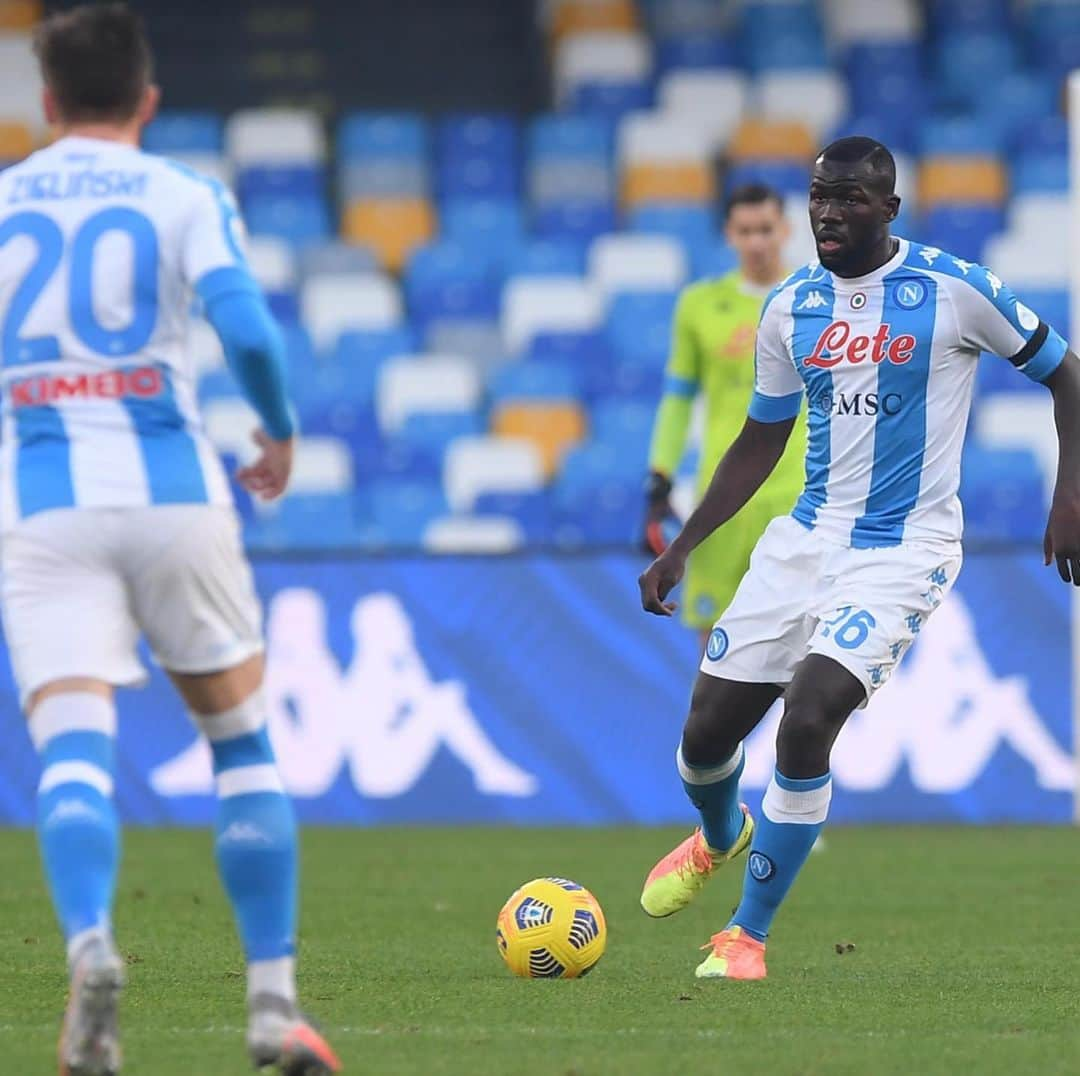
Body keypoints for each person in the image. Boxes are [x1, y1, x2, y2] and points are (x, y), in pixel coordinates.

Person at [637, 136, 1080, 980]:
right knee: (703, 737)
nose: (827, 214)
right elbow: (760, 438)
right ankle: (722, 833)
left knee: (806, 721)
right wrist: (684, 546)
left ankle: (746, 936)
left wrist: (1070, 498)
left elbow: (1070, 376)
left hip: (903, 548)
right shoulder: (790, 307)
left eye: (847, 199)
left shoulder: (953, 290)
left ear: (889, 209)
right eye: (819, 198)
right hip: (803, 538)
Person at [0, 6, 340, 1073]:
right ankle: (273, 1007)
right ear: (147, 100)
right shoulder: (182, 192)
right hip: (174, 491)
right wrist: (276, 431)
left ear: (47, 104)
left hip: (47, 505)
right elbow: (245, 328)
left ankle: (93, 941)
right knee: (240, 741)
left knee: (72, 749)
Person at [644, 184, 807, 644]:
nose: (756, 242)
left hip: (798, 497)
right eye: (745, 231)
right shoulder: (698, 305)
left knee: (802, 645)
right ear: (729, 234)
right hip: (723, 497)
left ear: (786, 230)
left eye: (765, 230)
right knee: (714, 646)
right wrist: (660, 474)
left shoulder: (814, 300)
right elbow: (678, 398)